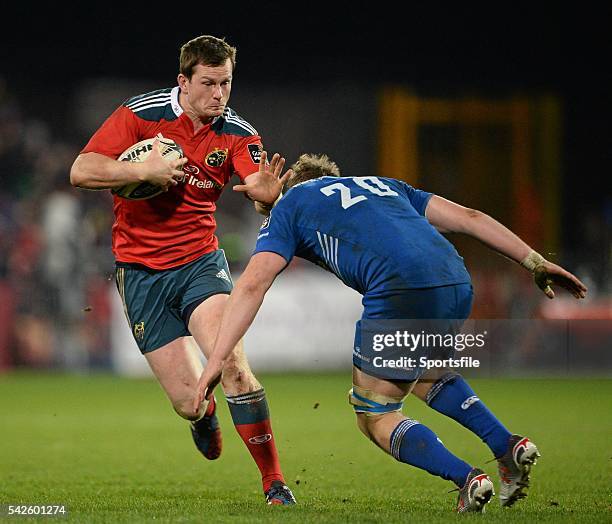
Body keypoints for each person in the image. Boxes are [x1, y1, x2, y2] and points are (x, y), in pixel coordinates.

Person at [194, 154, 587, 513]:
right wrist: (533, 261)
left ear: (291, 184)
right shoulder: (385, 185)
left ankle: (468, 479)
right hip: (455, 280)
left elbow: (251, 285)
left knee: (374, 413)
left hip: (399, 288)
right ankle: (507, 446)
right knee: (422, 373)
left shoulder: (293, 205)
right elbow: (469, 217)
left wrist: (217, 360)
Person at [69, 35, 296, 505]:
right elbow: (82, 170)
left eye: (227, 83)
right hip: (139, 272)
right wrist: (139, 173)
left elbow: (254, 181)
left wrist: (267, 195)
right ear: (184, 81)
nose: (219, 95)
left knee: (232, 364)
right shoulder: (141, 115)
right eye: (209, 83)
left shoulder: (237, 132)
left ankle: (274, 482)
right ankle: (203, 414)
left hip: (199, 264)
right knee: (187, 401)